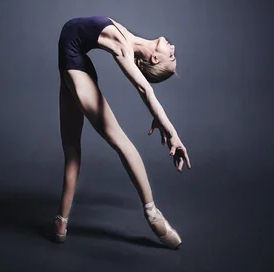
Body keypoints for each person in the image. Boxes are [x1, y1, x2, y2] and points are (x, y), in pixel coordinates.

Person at [54, 16, 191, 249]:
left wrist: (172, 133)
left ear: (155, 58)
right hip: (73, 63)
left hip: (75, 66)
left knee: (119, 141)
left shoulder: (123, 46)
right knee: (71, 150)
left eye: (172, 55)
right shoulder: (131, 38)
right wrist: (159, 119)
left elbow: (144, 89)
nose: (173, 47)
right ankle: (61, 224)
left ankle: (152, 214)